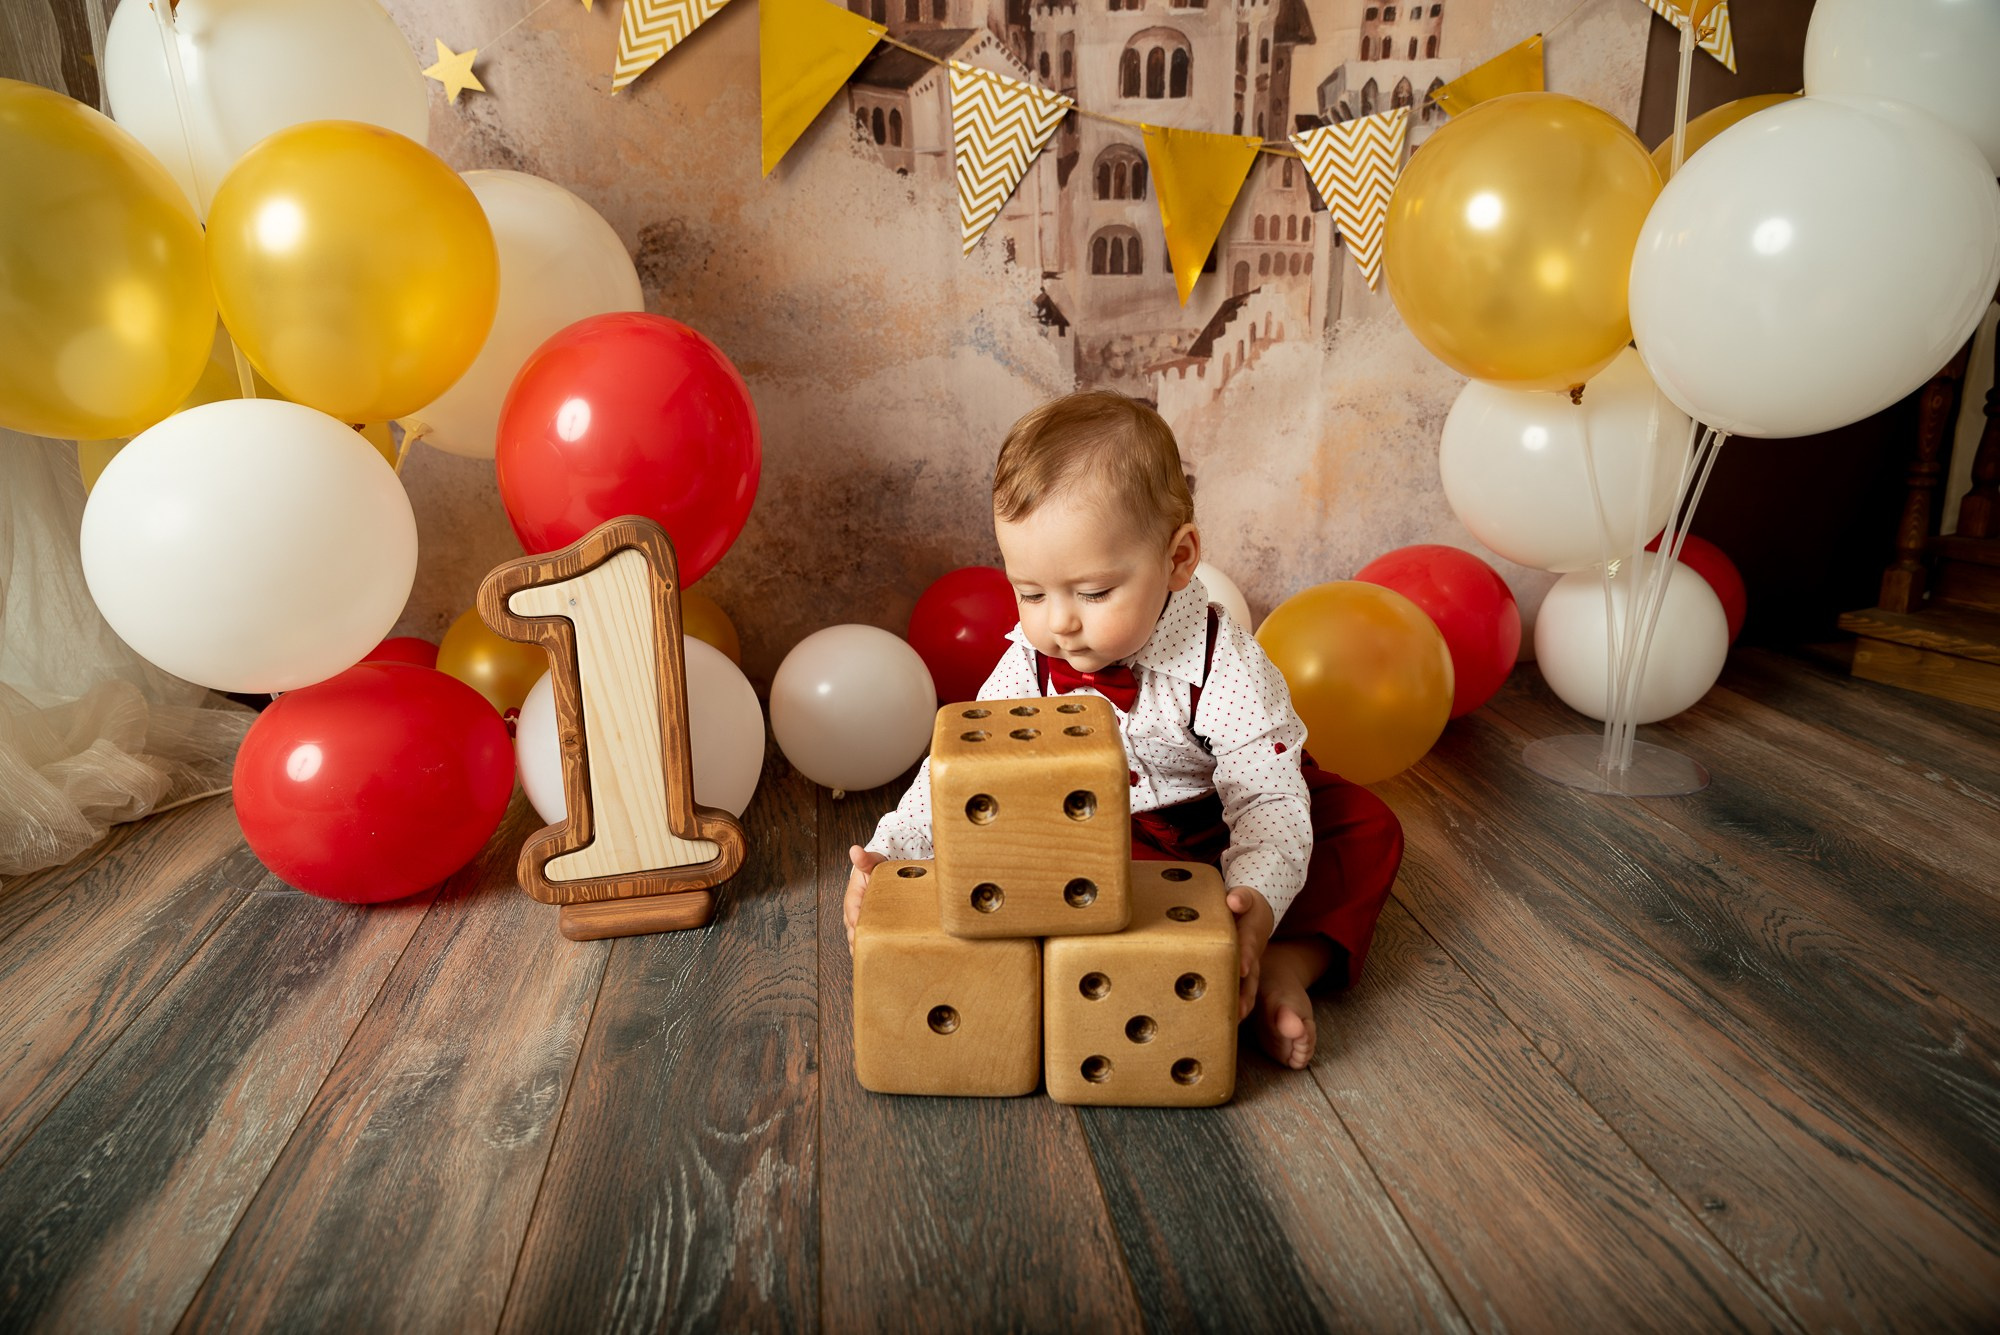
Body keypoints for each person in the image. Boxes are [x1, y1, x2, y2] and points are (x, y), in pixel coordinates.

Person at [844, 391, 1402, 1069]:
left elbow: (1268, 797)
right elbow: (958, 774)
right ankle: (1142, 976)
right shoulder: (1029, 658)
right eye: (1032, 591)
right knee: (1061, 881)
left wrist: (1255, 895)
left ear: (1179, 557)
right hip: (1107, 832)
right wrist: (894, 853)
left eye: (1094, 591)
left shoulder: (1223, 664)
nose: (1060, 623)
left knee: (1365, 827)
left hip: (1224, 816)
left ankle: (1285, 958)